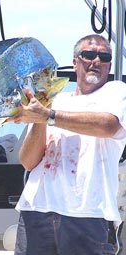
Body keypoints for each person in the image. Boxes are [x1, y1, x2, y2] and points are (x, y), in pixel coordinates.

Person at [7, 34, 126, 254]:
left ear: (109, 65)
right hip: (35, 210)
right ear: (75, 62)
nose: (96, 61)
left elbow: (107, 126)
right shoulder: (55, 101)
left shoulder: (117, 91)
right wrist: (42, 117)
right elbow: (28, 162)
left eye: (104, 57)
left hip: (87, 215)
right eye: (89, 55)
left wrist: (48, 115)